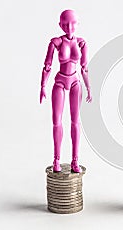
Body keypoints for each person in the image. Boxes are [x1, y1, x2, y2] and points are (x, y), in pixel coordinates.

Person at [40, 10, 92, 173]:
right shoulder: (55, 42)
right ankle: (56, 159)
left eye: (73, 23)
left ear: (78, 23)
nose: (69, 27)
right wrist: (43, 86)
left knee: (75, 122)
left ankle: (75, 160)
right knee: (57, 121)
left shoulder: (81, 43)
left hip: (75, 82)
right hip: (60, 82)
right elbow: (47, 66)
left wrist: (89, 87)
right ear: (60, 25)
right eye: (65, 24)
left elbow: (84, 68)